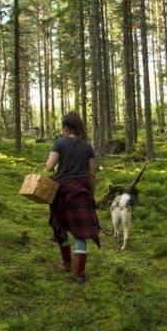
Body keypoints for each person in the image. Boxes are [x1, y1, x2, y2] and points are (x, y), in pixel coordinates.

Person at [45, 112, 100, 283]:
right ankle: (80, 274)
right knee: (80, 233)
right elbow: (92, 173)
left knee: (59, 225)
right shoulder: (87, 146)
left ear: (66, 127)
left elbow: (49, 166)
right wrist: (91, 192)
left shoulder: (60, 143)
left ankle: (65, 263)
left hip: (62, 192)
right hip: (81, 192)